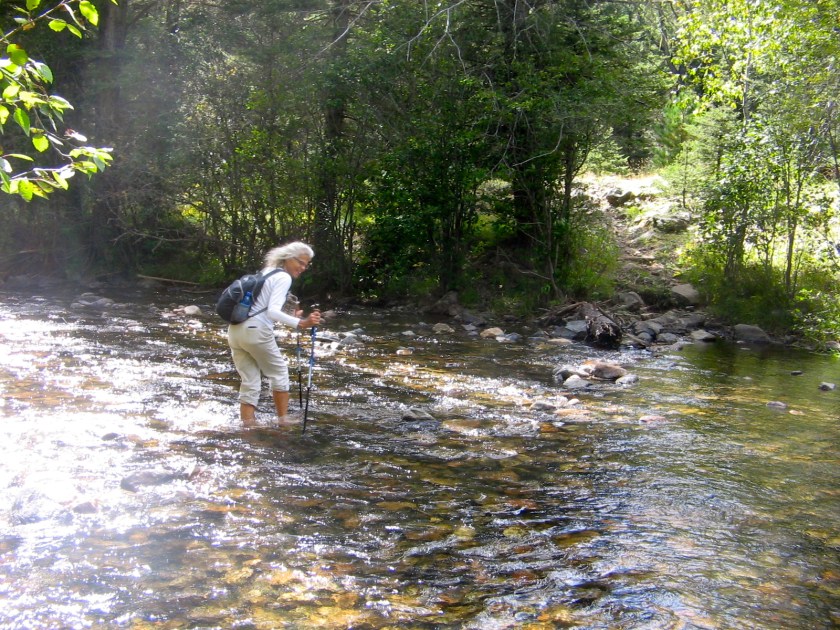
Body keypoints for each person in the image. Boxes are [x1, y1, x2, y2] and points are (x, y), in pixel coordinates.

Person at [226, 241, 322, 427]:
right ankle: (283, 420)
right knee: (279, 374)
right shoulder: (283, 277)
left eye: (306, 265)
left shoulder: (265, 272)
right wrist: (301, 323)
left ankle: (248, 426)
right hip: (256, 332)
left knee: (250, 381)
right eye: (300, 262)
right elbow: (271, 312)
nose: (303, 268)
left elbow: (261, 307)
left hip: (235, 330)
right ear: (288, 258)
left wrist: (290, 316)